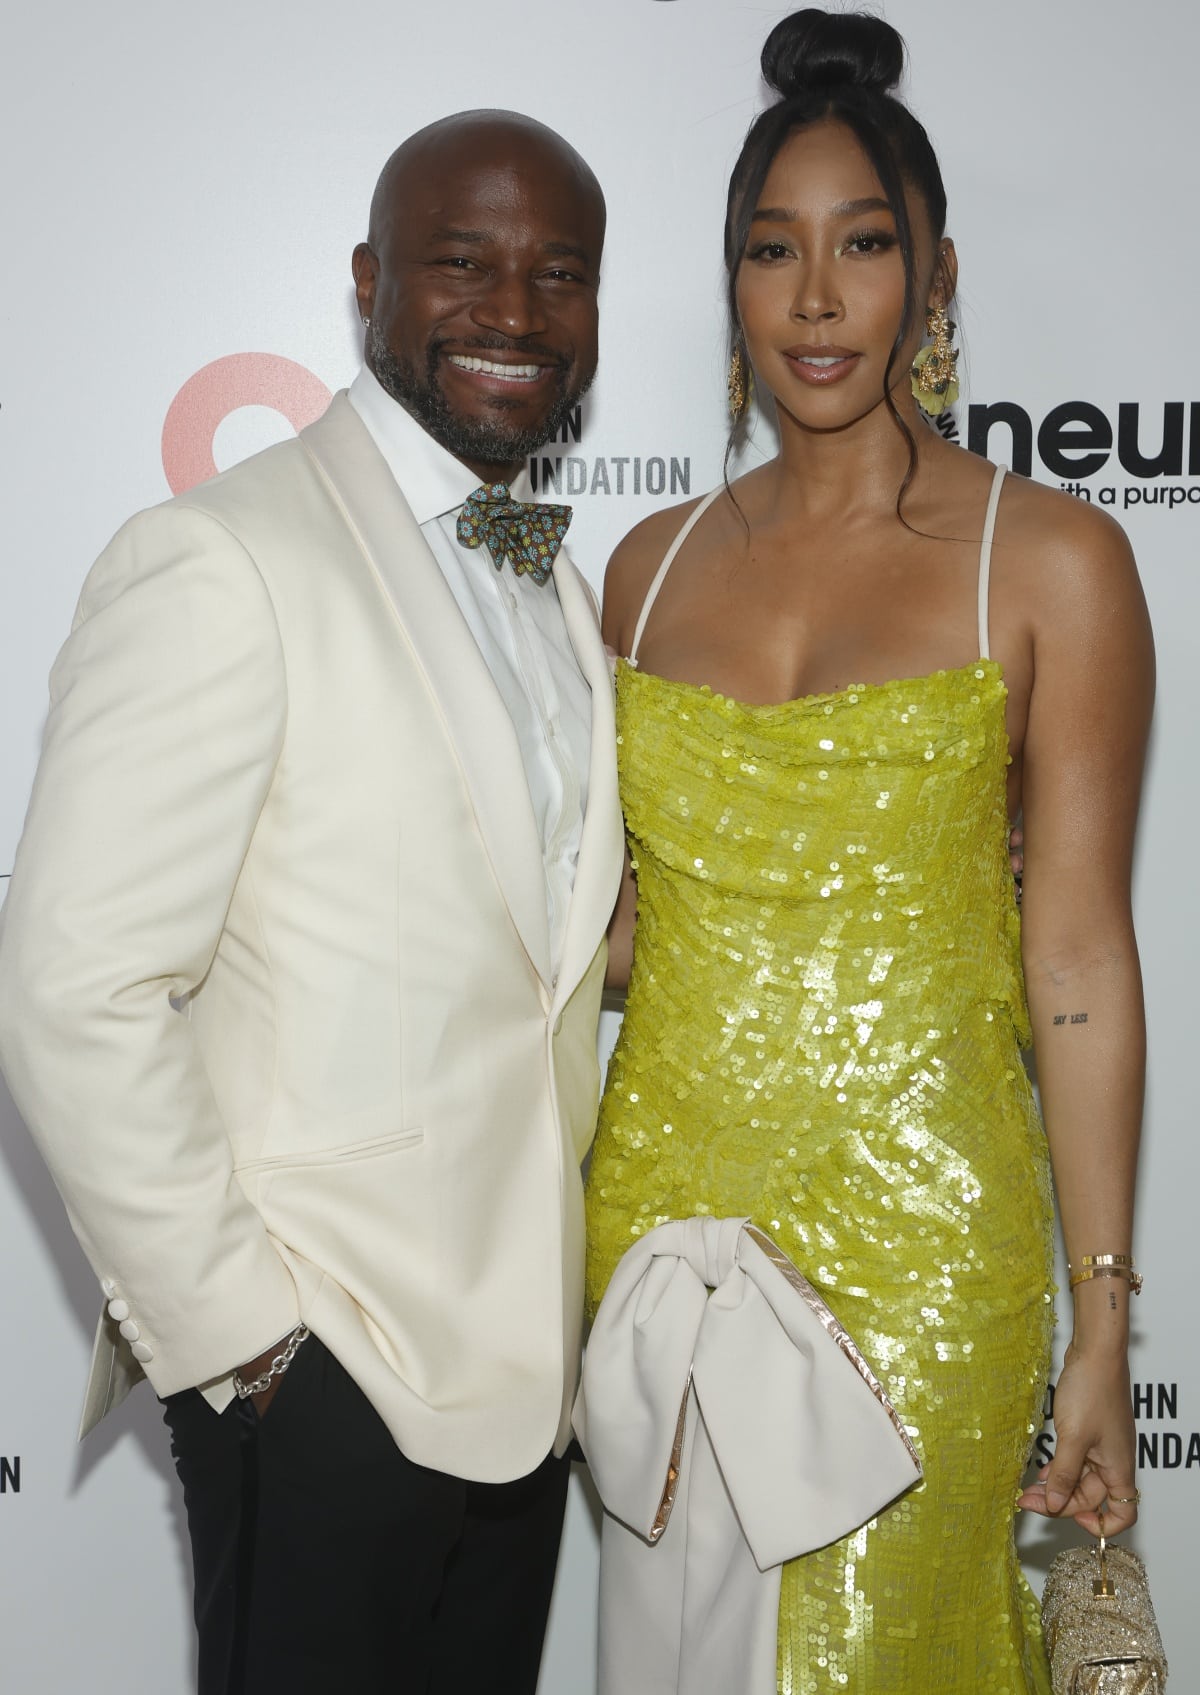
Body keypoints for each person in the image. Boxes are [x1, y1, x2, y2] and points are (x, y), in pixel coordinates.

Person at [0, 110, 623, 1694]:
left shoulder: (554, 580)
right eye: (462, 262)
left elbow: (520, 939)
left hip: (525, 1381)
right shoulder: (221, 558)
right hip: (324, 1367)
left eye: (560, 273)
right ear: (367, 284)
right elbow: (72, 984)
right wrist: (250, 1352)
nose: (514, 311)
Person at [584, 11, 1150, 1692]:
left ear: (937, 275)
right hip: (658, 1238)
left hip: (926, 1249)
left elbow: (1079, 959)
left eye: (864, 245)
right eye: (773, 251)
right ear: (730, 283)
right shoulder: (644, 570)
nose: (816, 299)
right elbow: (617, 932)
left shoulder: (1048, 564)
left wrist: (1104, 1306)